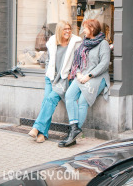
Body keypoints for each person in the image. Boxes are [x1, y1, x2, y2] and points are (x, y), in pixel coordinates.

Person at [59, 19, 110, 147]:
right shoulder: (84, 43)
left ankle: (72, 135)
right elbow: (76, 62)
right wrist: (78, 74)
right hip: (82, 75)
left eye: (85, 28)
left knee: (82, 101)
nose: (83, 31)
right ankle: (74, 128)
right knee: (69, 95)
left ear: (92, 29)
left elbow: (104, 64)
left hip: (97, 77)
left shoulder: (103, 43)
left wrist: (89, 75)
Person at [28, 21, 82, 143]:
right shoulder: (52, 42)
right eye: (65, 29)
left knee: (51, 99)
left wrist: (71, 74)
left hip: (63, 80)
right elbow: (48, 60)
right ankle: (43, 133)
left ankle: (37, 128)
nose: (68, 31)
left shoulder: (75, 43)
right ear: (59, 31)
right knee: (46, 102)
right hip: (51, 77)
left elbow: (78, 62)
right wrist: (48, 72)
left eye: (69, 29)